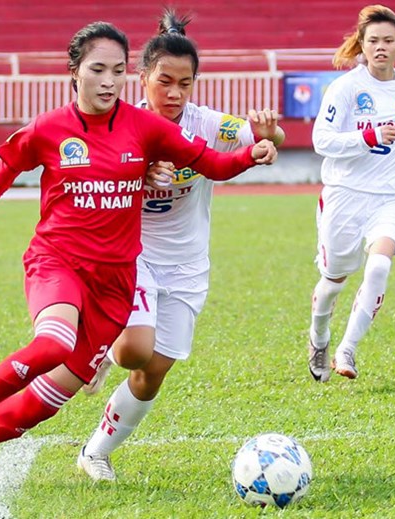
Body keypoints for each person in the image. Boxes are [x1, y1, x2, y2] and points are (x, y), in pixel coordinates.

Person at [0, 21, 278, 490]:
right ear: (74, 72)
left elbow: (211, 163)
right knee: (53, 344)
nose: (108, 81)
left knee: (51, 399)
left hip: (117, 282)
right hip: (58, 262)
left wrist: (253, 153)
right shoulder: (49, 129)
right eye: (97, 70)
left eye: (116, 71)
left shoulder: (145, 127)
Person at [75, 9, 286, 482]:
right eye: (163, 81)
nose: (173, 93)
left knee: (154, 370)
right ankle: (102, 348)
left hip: (189, 264)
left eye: (184, 84)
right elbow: (88, 180)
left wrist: (268, 136)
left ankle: (95, 451)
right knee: (133, 351)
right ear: (142, 76)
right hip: (133, 255)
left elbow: (269, 137)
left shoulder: (208, 123)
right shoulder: (116, 125)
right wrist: (137, 173)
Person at [307, 5, 395, 382]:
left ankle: (347, 348)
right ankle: (319, 337)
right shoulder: (346, 88)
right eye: (373, 41)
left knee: (380, 265)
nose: (381, 47)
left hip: (390, 196)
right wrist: (366, 137)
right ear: (362, 46)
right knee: (333, 281)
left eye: (388, 40)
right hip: (344, 195)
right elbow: (321, 140)